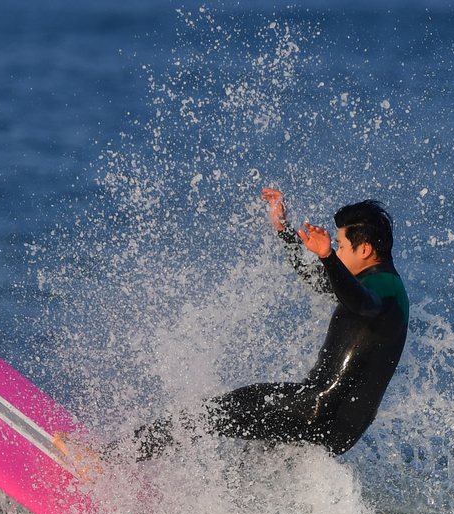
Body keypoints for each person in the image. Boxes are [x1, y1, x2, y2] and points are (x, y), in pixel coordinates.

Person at [125, 188, 410, 461]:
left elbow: (362, 303)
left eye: (341, 246)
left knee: (212, 414)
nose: (337, 251)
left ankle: (113, 458)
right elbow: (320, 280)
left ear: (366, 250)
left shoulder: (384, 290)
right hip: (335, 425)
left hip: (316, 409)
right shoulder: (372, 283)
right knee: (254, 460)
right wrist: (284, 229)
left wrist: (327, 256)